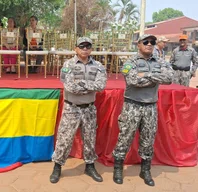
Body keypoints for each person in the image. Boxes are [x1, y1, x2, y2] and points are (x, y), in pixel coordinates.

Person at [112, 34, 174, 186]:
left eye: (152, 42)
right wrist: (155, 76)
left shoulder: (159, 60)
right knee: (125, 137)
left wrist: (146, 75)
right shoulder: (130, 61)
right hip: (132, 105)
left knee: (148, 139)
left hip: (150, 106)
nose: (149, 44)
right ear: (138, 44)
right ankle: (118, 168)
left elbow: (169, 78)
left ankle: (145, 170)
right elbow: (133, 81)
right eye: (145, 42)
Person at [50, 37, 107, 184]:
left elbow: (101, 85)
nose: (85, 49)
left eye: (88, 46)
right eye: (82, 46)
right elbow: (70, 87)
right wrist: (89, 85)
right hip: (71, 108)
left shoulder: (98, 66)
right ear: (76, 48)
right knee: (64, 139)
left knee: (89, 139)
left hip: (89, 108)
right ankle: (57, 166)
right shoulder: (68, 64)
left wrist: (80, 83)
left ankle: (89, 166)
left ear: (91, 49)